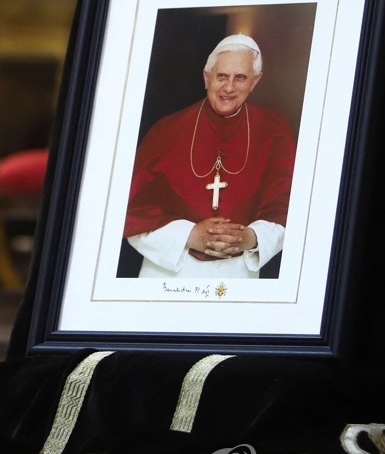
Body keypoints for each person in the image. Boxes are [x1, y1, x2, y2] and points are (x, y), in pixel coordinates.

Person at [123, 34, 295, 278]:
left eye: (240, 77)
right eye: (221, 76)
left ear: (255, 82)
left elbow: (290, 210)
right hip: (168, 273)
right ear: (207, 77)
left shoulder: (274, 132)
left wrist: (251, 237)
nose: (229, 87)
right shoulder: (166, 131)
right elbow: (131, 211)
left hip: (239, 275)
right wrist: (190, 235)